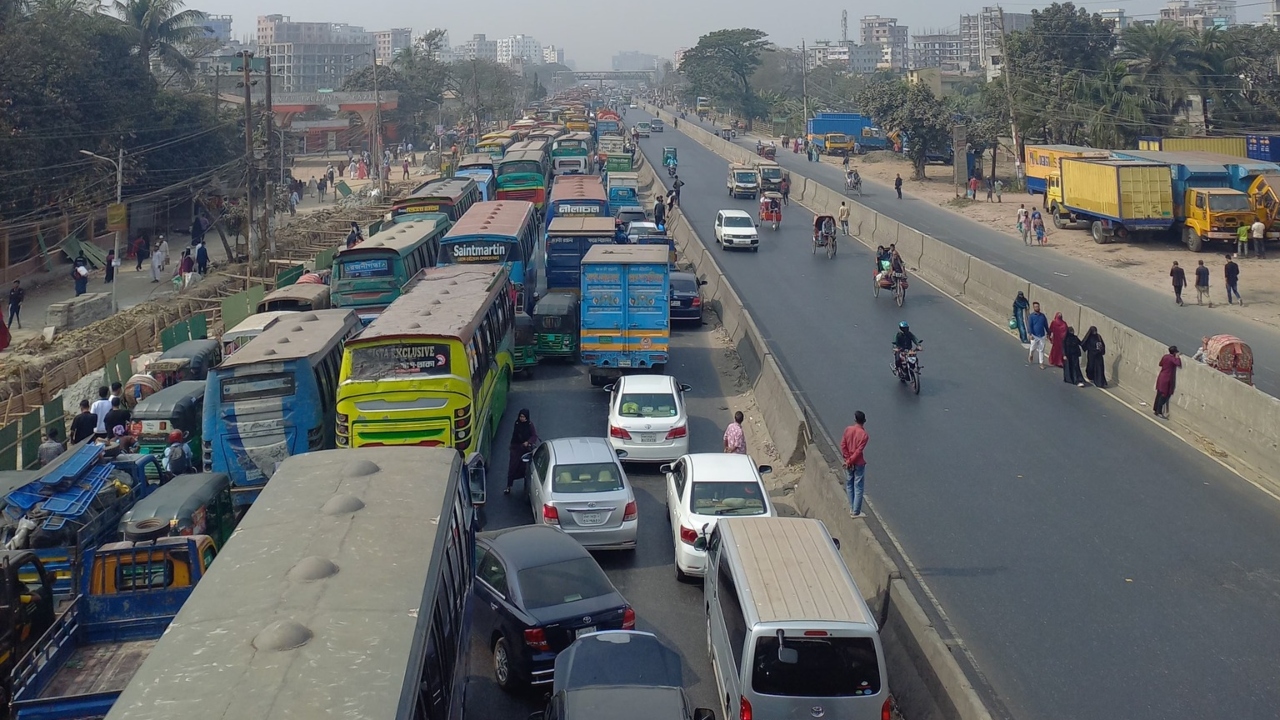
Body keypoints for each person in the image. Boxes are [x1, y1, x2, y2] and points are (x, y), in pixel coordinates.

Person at [840, 411, 869, 519]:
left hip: (849, 462)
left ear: (855, 419)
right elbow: (858, 451)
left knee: (849, 484)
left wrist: (847, 459)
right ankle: (856, 511)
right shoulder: (864, 435)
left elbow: (843, 445)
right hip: (858, 463)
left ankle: (852, 508)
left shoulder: (848, 430)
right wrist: (850, 461)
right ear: (864, 421)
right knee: (858, 486)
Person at [506, 409, 537, 494]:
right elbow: (515, 436)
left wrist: (528, 442)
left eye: (523, 417)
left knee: (525, 468)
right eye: (521, 416)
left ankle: (526, 486)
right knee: (512, 467)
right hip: (516, 448)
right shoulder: (517, 424)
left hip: (525, 449)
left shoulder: (530, 425)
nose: (522, 418)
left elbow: (534, 436)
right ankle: (509, 486)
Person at [1154, 346, 1181, 419]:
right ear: (1174, 352)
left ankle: (1155, 409)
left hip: (1161, 376)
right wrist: (1177, 357)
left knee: (1159, 393)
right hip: (1167, 379)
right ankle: (1159, 411)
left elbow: (1160, 364)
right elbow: (1178, 363)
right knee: (1164, 395)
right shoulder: (1172, 359)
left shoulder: (1165, 356)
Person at [1028, 301, 1050, 367]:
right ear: (1034, 308)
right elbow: (1030, 326)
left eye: (1038, 306)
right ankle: (1031, 354)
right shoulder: (1031, 316)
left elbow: (1046, 325)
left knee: (1041, 349)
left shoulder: (1042, 316)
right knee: (1032, 348)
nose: (1037, 308)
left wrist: (1048, 333)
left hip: (1042, 336)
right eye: (1035, 307)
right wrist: (1030, 334)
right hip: (1034, 335)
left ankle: (1041, 363)